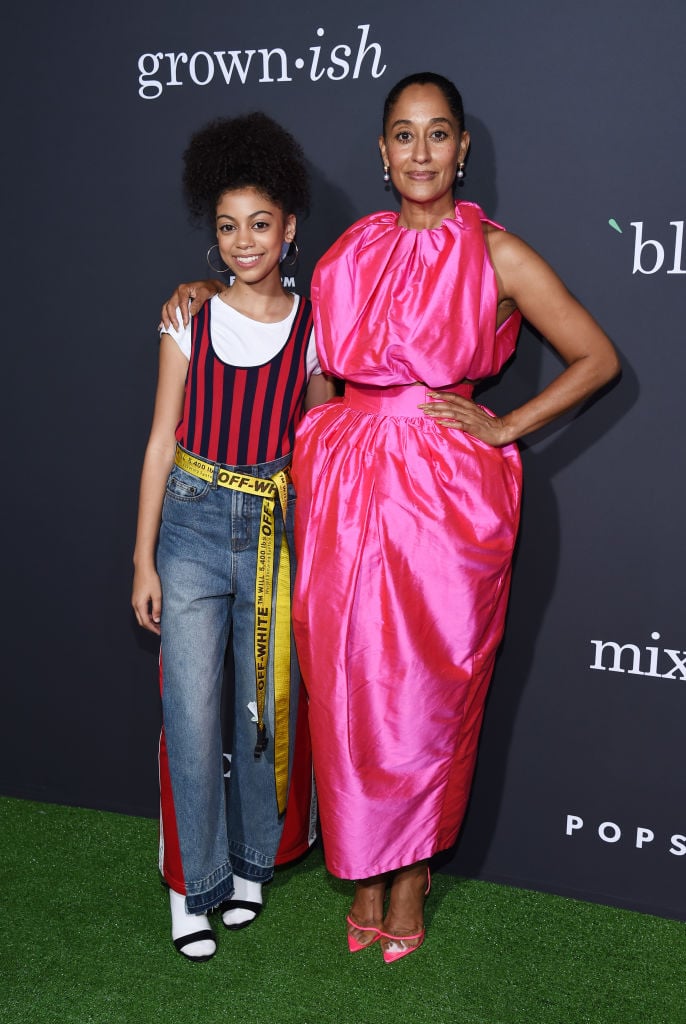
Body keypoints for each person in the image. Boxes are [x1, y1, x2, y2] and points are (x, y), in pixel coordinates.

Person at [161, 72, 620, 964]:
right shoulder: (349, 252)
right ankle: (365, 870)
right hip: (341, 486)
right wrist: (205, 293)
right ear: (382, 152)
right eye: (404, 135)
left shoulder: (496, 253)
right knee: (349, 685)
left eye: (437, 133)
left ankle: (410, 878)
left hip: (445, 494)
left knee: (428, 690)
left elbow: (595, 357)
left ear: (462, 149)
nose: (420, 152)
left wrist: (504, 425)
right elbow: (290, 330)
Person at [132, 111, 334, 963]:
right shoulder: (189, 318)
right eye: (226, 227)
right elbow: (159, 441)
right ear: (211, 237)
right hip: (190, 523)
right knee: (189, 711)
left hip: (274, 533)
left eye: (259, 224)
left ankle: (253, 862)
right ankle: (193, 886)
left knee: (262, 709)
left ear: (289, 228)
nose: (243, 242)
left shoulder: (318, 328)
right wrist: (141, 558)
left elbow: (319, 448)